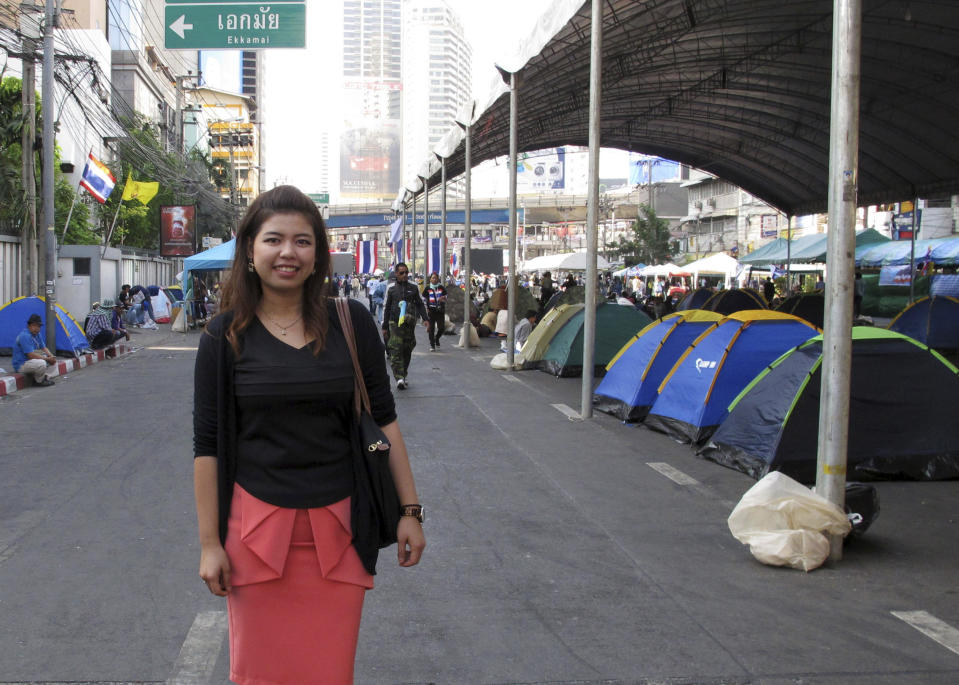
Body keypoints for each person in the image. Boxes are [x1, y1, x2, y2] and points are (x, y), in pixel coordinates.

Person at [193, 186, 425, 684]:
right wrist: (210, 543)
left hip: (340, 530)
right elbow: (207, 446)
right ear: (250, 250)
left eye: (302, 241)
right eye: (273, 239)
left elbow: (384, 420)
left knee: (329, 671)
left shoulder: (352, 322)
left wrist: (409, 511)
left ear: (318, 253)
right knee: (259, 672)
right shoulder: (222, 335)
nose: (287, 253)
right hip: (253, 534)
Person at [381, 262, 428, 389]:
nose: (405, 275)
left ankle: (403, 373)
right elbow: (386, 307)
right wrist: (384, 326)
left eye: (407, 272)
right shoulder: (390, 288)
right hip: (394, 323)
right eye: (402, 273)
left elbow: (420, 303)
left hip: (409, 323)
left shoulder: (413, 287)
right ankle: (399, 378)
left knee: (407, 348)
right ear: (396, 274)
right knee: (395, 349)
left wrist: (425, 319)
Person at [12, 314, 56, 386]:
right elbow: (30, 355)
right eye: (34, 325)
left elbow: (43, 348)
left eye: (38, 326)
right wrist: (47, 359)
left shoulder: (37, 334)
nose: (37, 328)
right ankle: (39, 381)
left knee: (54, 361)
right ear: (29, 326)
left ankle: (45, 377)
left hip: (31, 362)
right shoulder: (25, 336)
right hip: (22, 364)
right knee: (42, 363)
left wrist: (51, 356)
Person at [423, 272, 447, 351]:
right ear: (430, 279)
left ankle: (436, 338)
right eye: (433, 278)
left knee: (441, 328)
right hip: (431, 311)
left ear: (438, 279)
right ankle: (432, 345)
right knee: (431, 329)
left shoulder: (441, 287)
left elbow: (446, 296)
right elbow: (424, 299)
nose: (434, 279)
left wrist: (443, 298)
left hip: (440, 311)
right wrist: (426, 308)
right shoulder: (427, 288)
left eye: (436, 278)